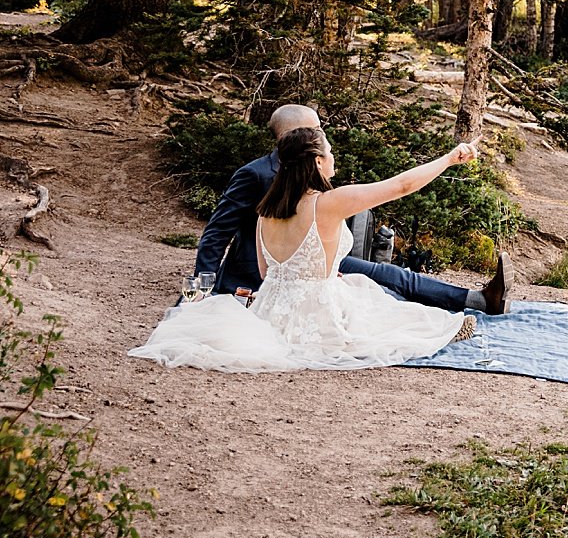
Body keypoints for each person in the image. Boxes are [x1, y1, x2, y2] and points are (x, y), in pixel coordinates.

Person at [131, 128, 482, 371]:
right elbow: (402, 185)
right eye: (329, 152)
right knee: (405, 319)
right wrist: (450, 159)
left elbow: (268, 272)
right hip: (318, 315)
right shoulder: (328, 203)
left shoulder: (265, 210)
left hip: (268, 313)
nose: (333, 158)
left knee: (360, 290)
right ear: (316, 161)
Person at [195, 104, 509, 315]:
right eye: (319, 129)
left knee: (389, 273)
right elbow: (217, 232)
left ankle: (478, 299)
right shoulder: (254, 174)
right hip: (273, 275)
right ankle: (459, 306)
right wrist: (201, 291)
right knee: (377, 293)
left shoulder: (310, 175)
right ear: (301, 137)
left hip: (316, 262)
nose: (325, 135)